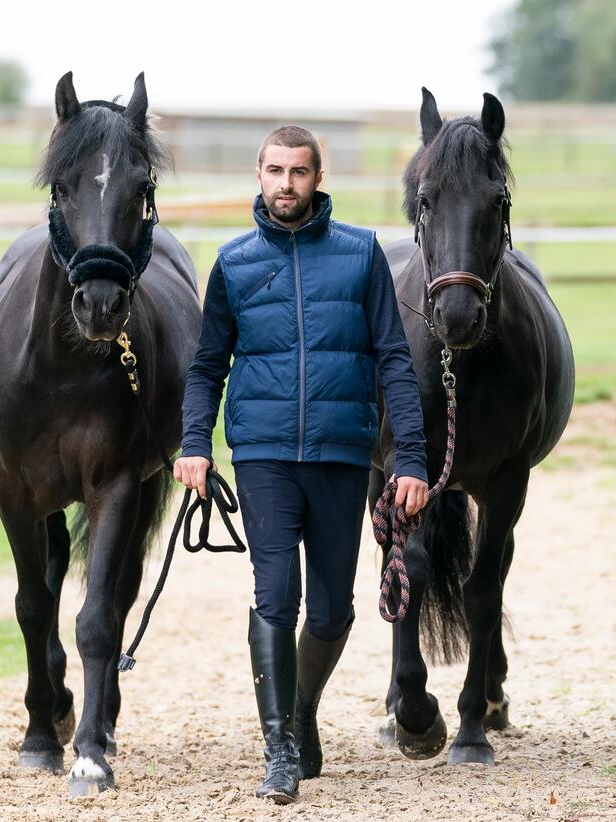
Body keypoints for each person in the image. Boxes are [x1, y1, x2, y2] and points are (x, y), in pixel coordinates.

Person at [175, 125, 429, 803]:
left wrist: (412, 458)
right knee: (275, 595)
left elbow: (396, 362)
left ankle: (301, 709)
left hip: (343, 454)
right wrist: (194, 444)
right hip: (262, 456)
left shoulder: (361, 255)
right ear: (258, 176)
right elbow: (205, 368)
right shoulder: (232, 263)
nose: (285, 183)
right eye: (274, 170)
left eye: (298, 171)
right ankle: (279, 749)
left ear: (318, 179)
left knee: (331, 611)